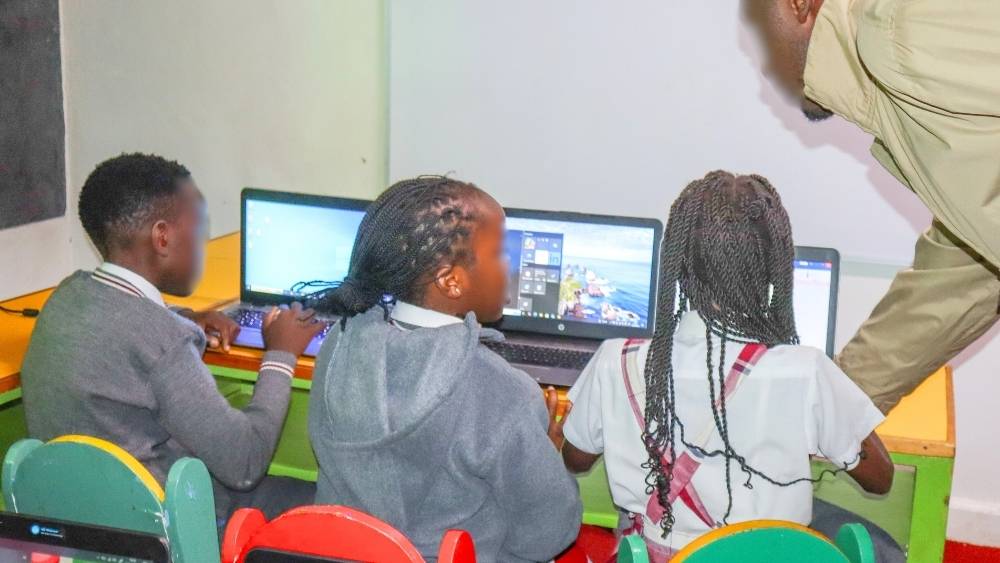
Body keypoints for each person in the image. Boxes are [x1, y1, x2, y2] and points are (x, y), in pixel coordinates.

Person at [560, 171, 900, 561]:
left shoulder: (615, 361)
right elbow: (881, 478)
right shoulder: (807, 372)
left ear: (678, 263)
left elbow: (575, 459)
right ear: (773, 268)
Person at [21, 153, 323, 527]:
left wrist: (178, 316)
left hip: (87, 524)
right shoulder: (164, 342)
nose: (202, 245)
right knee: (329, 501)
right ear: (162, 236)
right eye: (198, 230)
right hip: (176, 528)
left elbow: (122, 324)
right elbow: (244, 465)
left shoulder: (65, 297)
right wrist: (280, 353)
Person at [308, 176, 582, 562]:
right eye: (499, 253)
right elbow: (550, 533)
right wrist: (547, 456)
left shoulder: (338, 345)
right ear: (451, 281)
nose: (510, 269)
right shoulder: (504, 391)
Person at [745, 0, 1000, 413]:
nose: (765, 70)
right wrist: (828, 410)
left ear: (799, 4)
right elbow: (968, 272)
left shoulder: (901, 25)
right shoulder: (900, 96)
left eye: (760, 30)